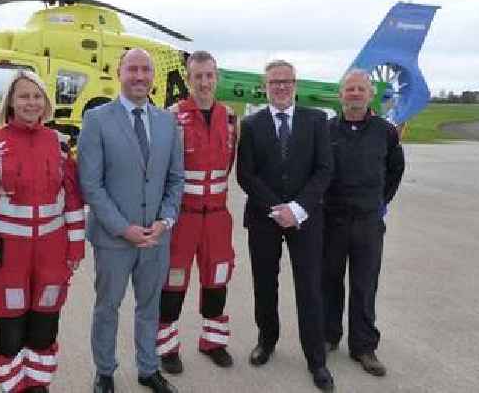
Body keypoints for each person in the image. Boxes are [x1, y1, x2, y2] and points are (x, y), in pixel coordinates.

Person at [0, 70, 85, 392]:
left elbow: (73, 200)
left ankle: (38, 384)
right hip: (8, 255)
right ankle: (15, 387)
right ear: (11, 101)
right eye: (24, 96)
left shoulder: (61, 144)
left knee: (45, 327)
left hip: (52, 252)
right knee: (10, 333)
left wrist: (76, 248)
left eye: (37, 96)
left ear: (45, 103)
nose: (31, 103)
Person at [78, 48, 184, 393]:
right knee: (108, 306)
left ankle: (148, 368)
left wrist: (166, 220)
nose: (140, 76)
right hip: (114, 238)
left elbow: (175, 179)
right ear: (119, 73)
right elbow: (90, 184)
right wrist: (123, 227)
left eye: (146, 70)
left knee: (149, 306)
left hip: (156, 237)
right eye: (132, 69)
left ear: (153, 76)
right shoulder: (97, 120)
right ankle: (105, 372)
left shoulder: (168, 122)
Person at [236, 59, 335, 391]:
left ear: (296, 84)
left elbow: (324, 170)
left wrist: (297, 208)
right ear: (265, 86)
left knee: (310, 288)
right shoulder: (251, 124)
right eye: (274, 82)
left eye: (286, 81)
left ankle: (315, 359)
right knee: (265, 284)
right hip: (265, 218)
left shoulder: (317, 120)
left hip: (306, 219)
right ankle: (267, 340)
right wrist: (276, 207)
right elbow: (245, 174)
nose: (280, 86)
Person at [157, 51, 237, 374]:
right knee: (173, 283)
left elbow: (230, 165)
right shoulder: (171, 117)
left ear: (216, 77)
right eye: (198, 76)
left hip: (218, 217)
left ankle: (213, 342)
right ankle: (167, 347)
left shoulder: (231, 118)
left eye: (209, 76)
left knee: (217, 280)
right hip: (183, 217)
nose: (204, 82)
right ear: (188, 80)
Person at [322, 69, 405, 377]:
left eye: (361, 89)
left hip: (368, 224)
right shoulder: (326, 130)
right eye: (349, 89)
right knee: (328, 282)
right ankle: (328, 337)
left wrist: (380, 201)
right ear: (341, 95)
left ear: (370, 95)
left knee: (364, 285)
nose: (355, 93)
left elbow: (396, 169)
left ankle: (364, 346)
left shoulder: (386, 131)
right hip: (332, 221)